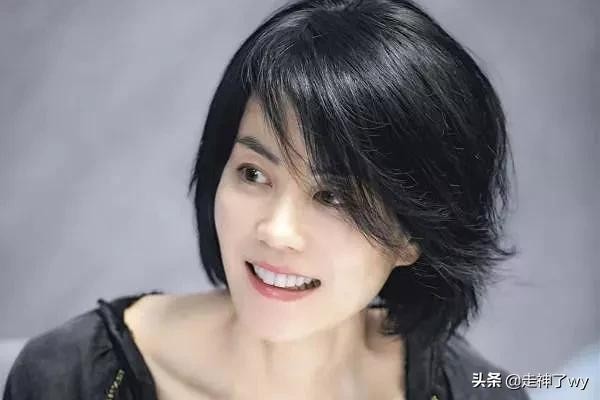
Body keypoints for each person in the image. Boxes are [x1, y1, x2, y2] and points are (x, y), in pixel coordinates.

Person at [3, 0, 531, 399]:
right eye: (253, 174)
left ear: (413, 233)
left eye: (335, 196)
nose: (277, 230)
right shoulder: (71, 376)